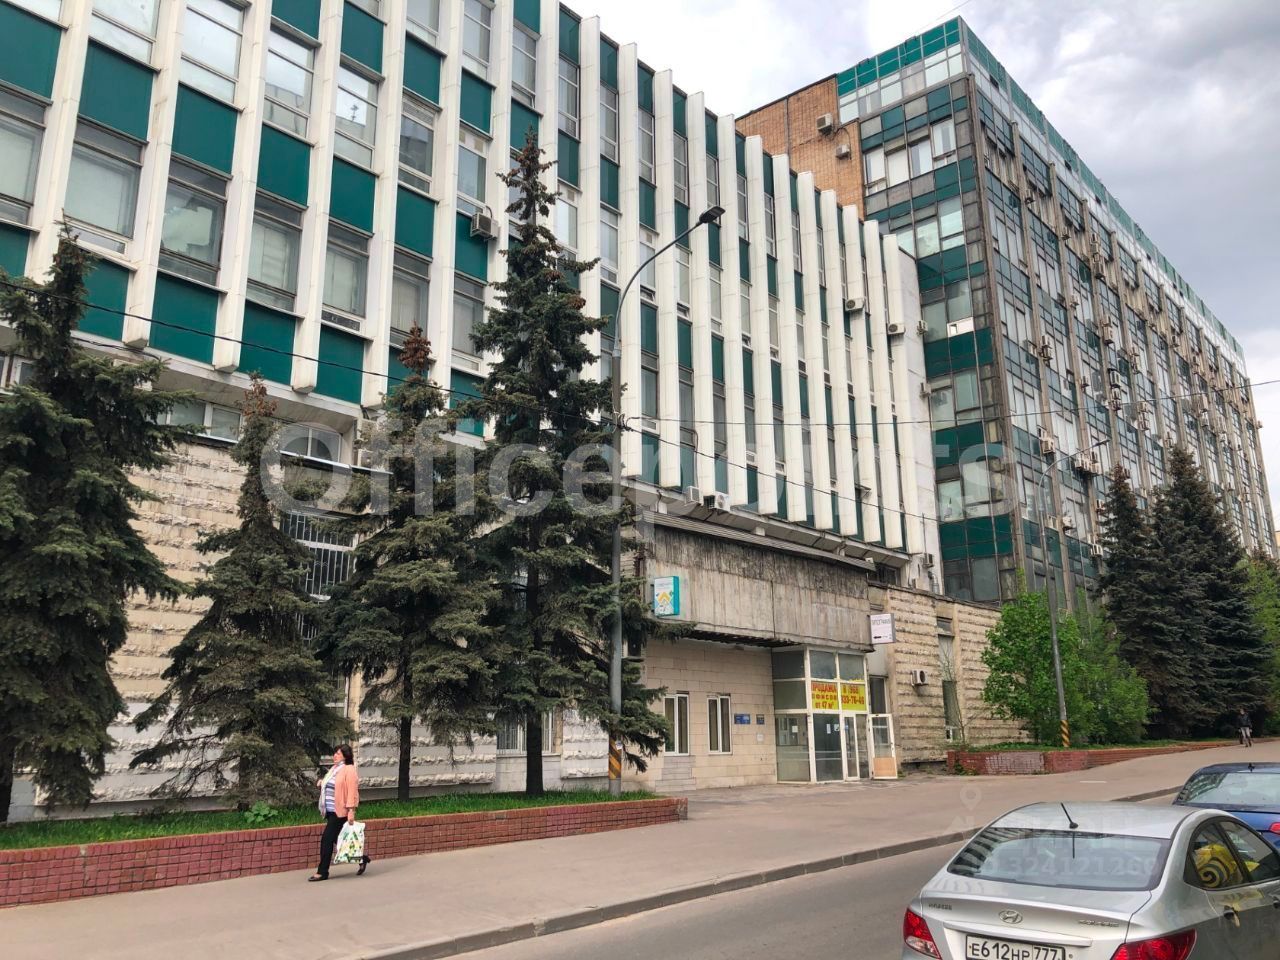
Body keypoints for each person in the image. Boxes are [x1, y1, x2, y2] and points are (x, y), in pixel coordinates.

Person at [310, 744, 371, 881]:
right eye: (335, 753)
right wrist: (322, 782)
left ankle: (322, 872)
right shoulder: (334, 769)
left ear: (345, 756)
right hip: (330, 810)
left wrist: (351, 811)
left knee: (326, 839)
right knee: (338, 840)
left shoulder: (349, 769)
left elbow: (351, 791)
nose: (335, 756)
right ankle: (362, 858)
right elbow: (333, 784)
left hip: (341, 811)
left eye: (338, 753)